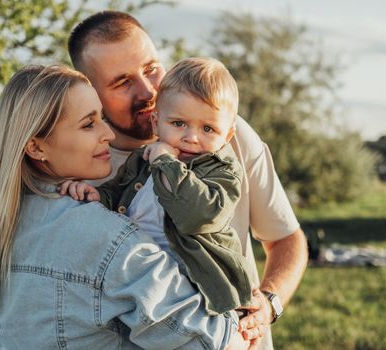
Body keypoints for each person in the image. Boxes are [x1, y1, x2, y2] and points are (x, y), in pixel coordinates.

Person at [0, 65, 252, 349]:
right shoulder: (109, 240)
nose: (109, 135)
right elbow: (219, 344)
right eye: (88, 124)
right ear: (37, 147)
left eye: (101, 118)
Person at [68, 11, 308, 349]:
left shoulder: (226, 136)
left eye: (151, 69)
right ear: (90, 91)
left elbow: (286, 239)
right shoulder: (79, 161)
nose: (149, 90)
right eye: (122, 83)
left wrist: (270, 304)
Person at [63, 57, 254, 315]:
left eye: (208, 128)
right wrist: (99, 196)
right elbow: (119, 192)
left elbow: (198, 217)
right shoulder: (143, 159)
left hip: (198, 291)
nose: (191, 137)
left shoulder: (221, 171)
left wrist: (166, 161)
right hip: (145, 281)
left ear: (227, 135)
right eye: (178, 123)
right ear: (156, 122)